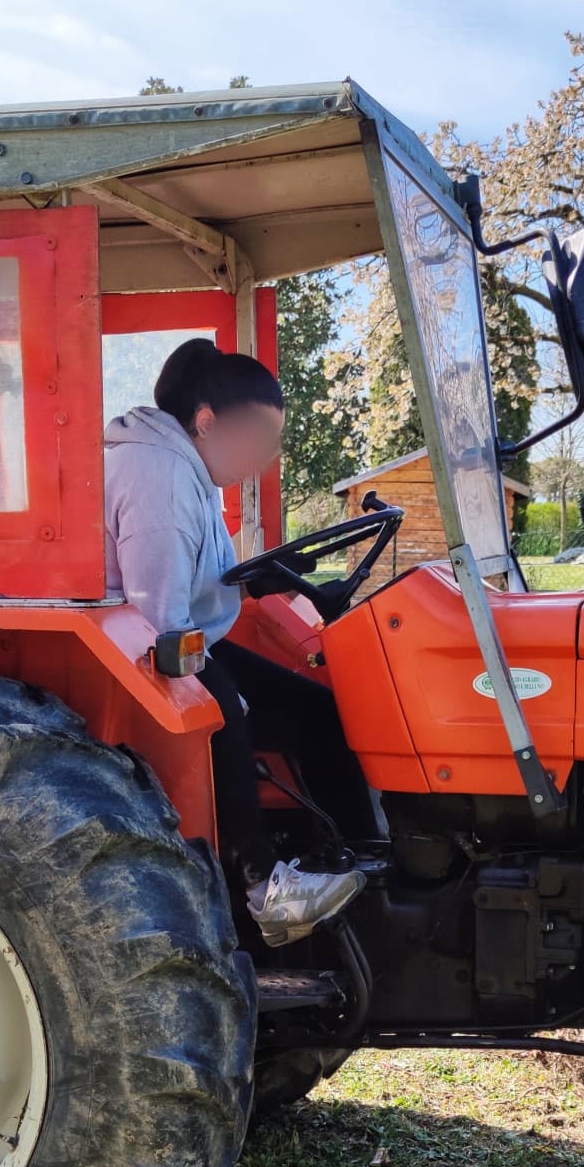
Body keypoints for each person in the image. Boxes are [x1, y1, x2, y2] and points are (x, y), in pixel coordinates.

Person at [104, 337, 370, 947]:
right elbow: (159, 618)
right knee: (225, 709)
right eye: (258, 438)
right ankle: (262, 888)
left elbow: (202, 579)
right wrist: (218, 697)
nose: (265, 458)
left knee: (319, 709)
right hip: (147, 643)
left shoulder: (187, 468)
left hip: (185, 632)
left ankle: (359, 858)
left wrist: (262, 581)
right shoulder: (159, 474)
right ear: (205, 421)